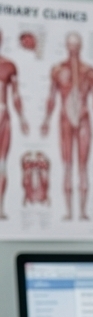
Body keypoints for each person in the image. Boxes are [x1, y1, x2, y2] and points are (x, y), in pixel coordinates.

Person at [41, 31, 93, 221]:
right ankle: (69, 212)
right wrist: (46, 120)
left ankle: (82, 212)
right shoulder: (57, 70)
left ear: (80, 47)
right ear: (67, 46)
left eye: (76, 46)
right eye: (70, 46)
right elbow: (52, 97)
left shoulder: (89, 72)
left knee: (83, 166)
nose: (73, 50)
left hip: (84, 118)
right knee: (67, 165)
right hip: (65, 118)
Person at [0, 28, 30, 219]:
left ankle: (0, 208)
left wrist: (22, 118)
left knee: (2, 164)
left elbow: (16, 95)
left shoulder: (9, 65)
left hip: (3, 115)